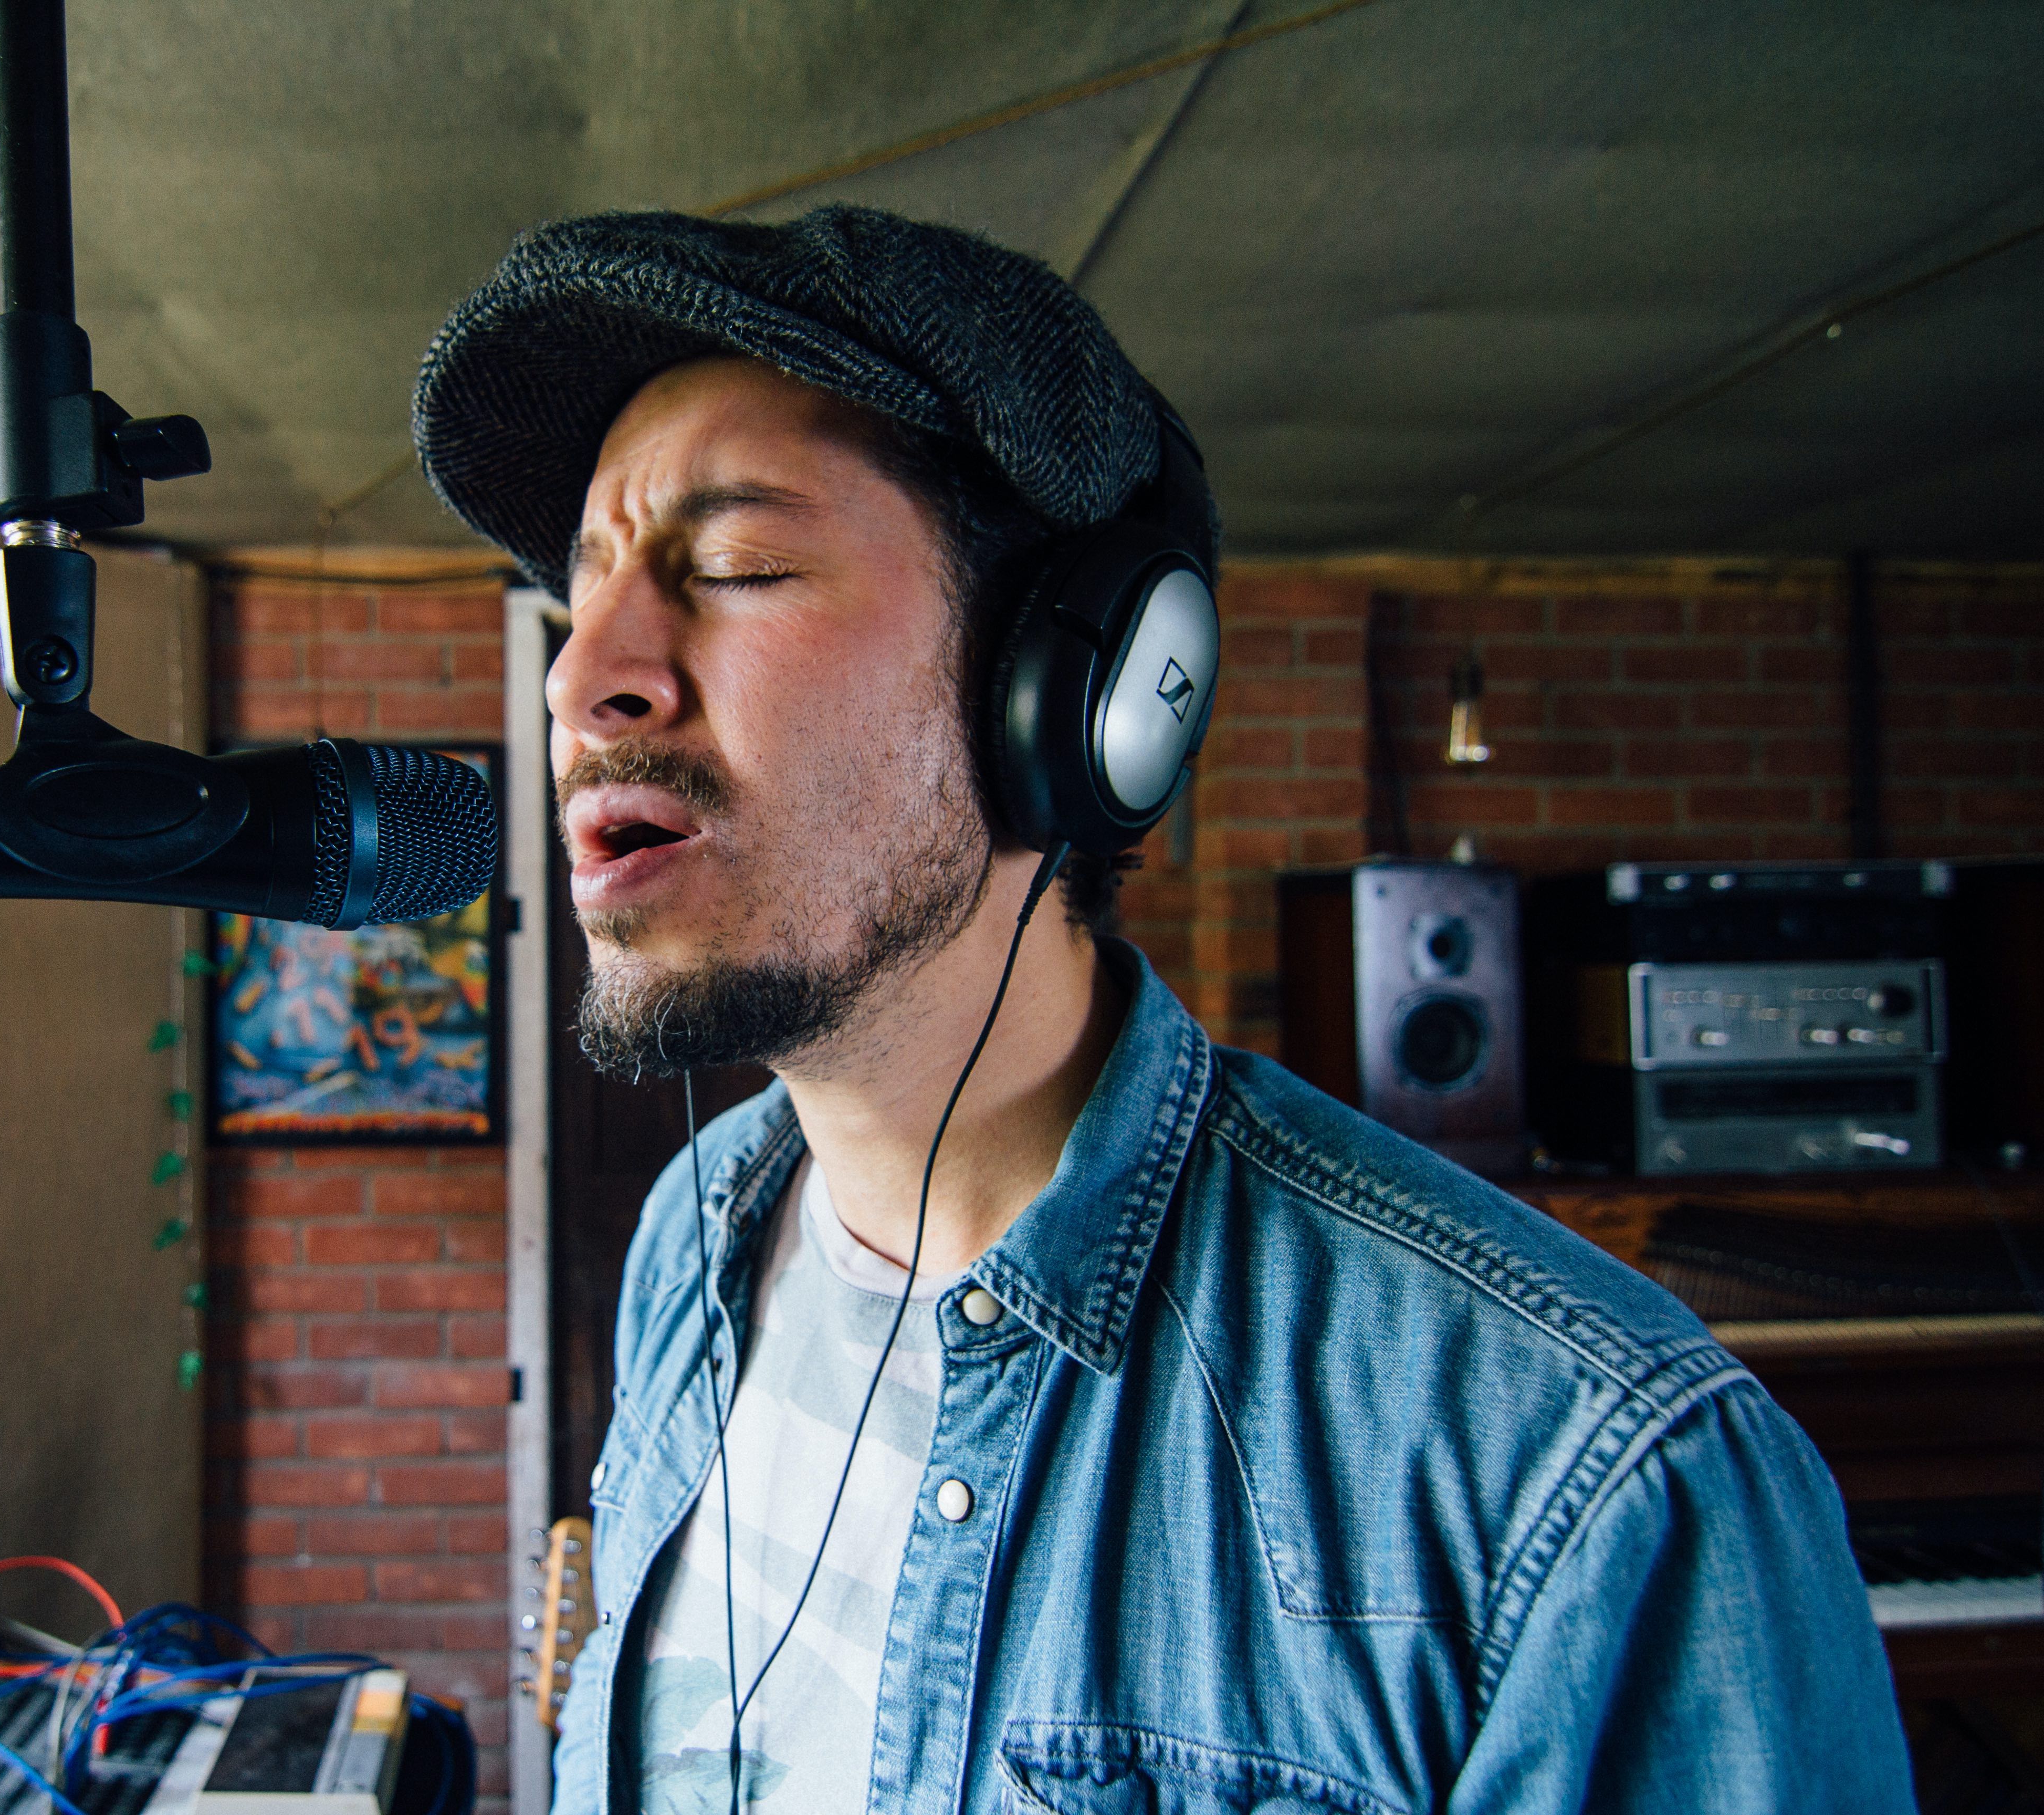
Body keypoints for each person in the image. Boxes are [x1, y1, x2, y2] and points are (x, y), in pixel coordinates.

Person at [412, 206, 1911, 1814]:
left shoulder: (1585, 1474)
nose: (583, 682)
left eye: (733, 565)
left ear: (1091, 697)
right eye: (581, 596)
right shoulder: (693, 1238)